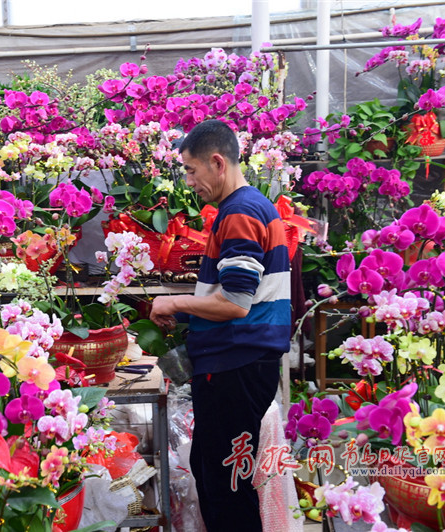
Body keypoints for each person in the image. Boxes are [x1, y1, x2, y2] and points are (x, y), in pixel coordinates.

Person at [150, 119, 291, 531]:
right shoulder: (250, 207)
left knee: (226, 483)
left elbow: (234, 302)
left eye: (191, 170)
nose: (189, 181)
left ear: (216, 162)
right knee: (218, 471)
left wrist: (172, 301)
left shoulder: (240, 214)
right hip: (243, 362)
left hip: (237, 363)